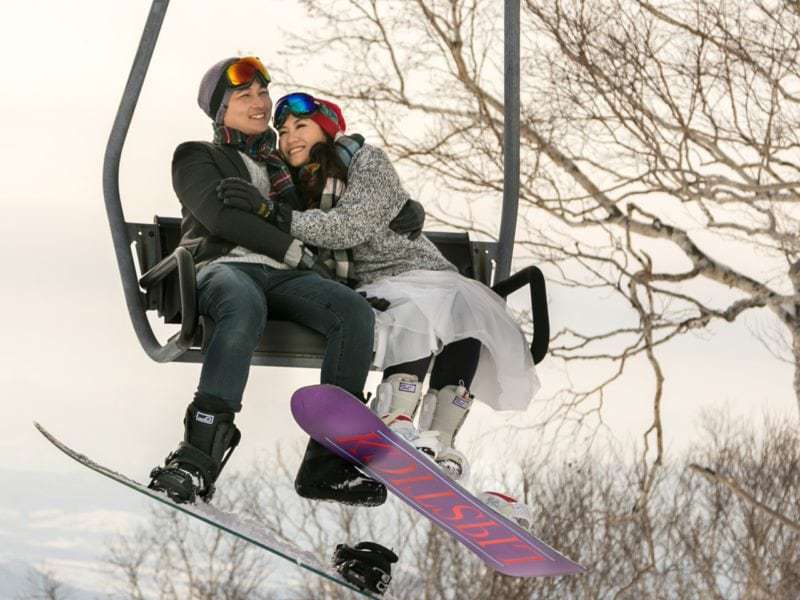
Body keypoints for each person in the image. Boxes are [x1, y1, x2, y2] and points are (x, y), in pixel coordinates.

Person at [216, 91, 541, 487]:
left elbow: (351, 225)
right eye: (282, 132)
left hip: (420, 272)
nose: (289, 138)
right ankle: (397, 414)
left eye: (301, 126)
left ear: (328, 130)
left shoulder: (367, 161)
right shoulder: (291, 185)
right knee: (422, 306)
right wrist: (274, 209)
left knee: (461, 308)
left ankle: (440, 437)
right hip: (372, 287)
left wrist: (278, 215)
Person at [148, 58, 422, 508]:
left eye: (261, 94)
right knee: (241, 305)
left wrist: (401, 207)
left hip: (285, 278)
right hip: (223, 267)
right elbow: (222, 219)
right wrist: (292, 250)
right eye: (244, 97)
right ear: (220, 111)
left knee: (352, 312)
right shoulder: (197, 156)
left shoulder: (285, 169)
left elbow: (334, 201)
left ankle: (328, 462)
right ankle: (196, 458)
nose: (259, 104)